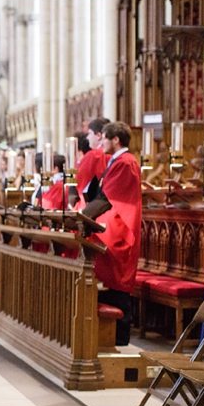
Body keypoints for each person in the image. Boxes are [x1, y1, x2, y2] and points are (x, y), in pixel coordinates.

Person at [82, 121, 142, 346]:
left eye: (104, 138)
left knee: (116, 281)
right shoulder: (118, 161)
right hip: (112, 224)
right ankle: (107, 335)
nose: (101, 143)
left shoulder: (126, 162)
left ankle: (118, 337)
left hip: (119, 229)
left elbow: (110, 198)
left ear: (116, 140)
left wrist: (83, 216)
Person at [78, 117, 111, 203]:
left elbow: (78, 183)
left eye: (89, 133)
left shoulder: (94, 155)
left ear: (98, 135)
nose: (88, 138)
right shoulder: (115, 154)